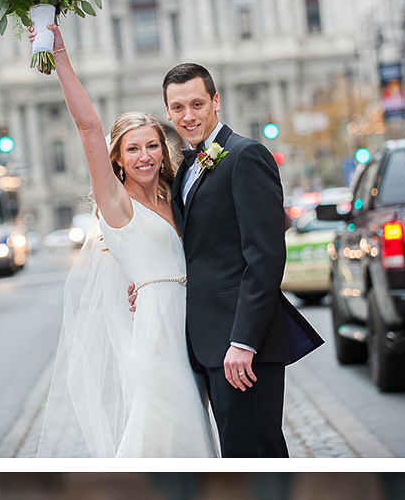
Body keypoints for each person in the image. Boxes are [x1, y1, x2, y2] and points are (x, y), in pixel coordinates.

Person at [35, 24, 218, 456]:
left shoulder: (176, 196)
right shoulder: (116, 204)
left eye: (153, 146)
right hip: (157, 331)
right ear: (117, 157)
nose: (145, 157)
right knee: (170, 424)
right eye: (133, 149)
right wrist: (59, 54)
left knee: (192, 425)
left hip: (194, 325)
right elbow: (88, 128)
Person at [130, 64, 323, 458]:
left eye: (197, 103)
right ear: (168, 111)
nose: (188, 116)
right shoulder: (186, 167)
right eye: (178, 107)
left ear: (216, 102)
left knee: (254, 452)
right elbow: (196, 250)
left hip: (241, 345)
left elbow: (266, 256)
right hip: (206, 342)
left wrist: (243, 341)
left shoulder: (246, 156)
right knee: (238, 454)